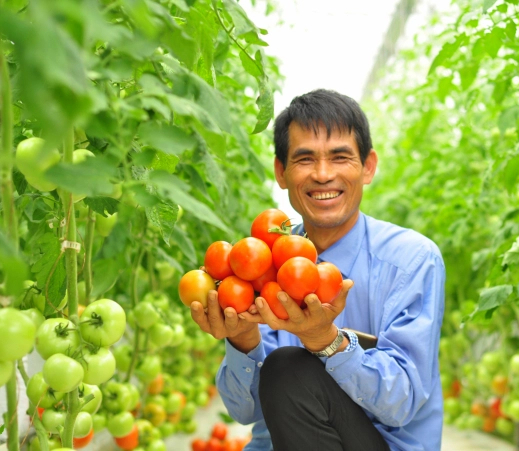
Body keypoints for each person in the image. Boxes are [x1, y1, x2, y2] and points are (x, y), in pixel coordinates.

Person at [190, 89, 445, 451]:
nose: (323, 174)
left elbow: (400, 403)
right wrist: (243, 339)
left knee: (288, 369)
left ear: (368, 166)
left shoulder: (412, 260)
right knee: (282, 371)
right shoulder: (263, 263)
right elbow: (246, 411)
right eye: (305, 159)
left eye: (340, 157)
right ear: (281, 172)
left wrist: (326, 341)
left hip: (382, 444)